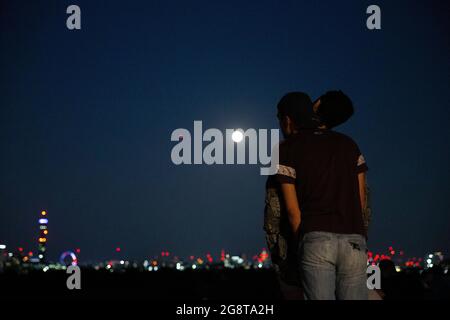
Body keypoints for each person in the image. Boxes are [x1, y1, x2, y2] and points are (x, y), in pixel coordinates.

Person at [275, 90, 369, 300]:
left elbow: (292, 212)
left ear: (288, 120)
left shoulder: (286, 149)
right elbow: (361, 201)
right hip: (354, 239)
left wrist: (302, 243)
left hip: (315, 238)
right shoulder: (349, 144)